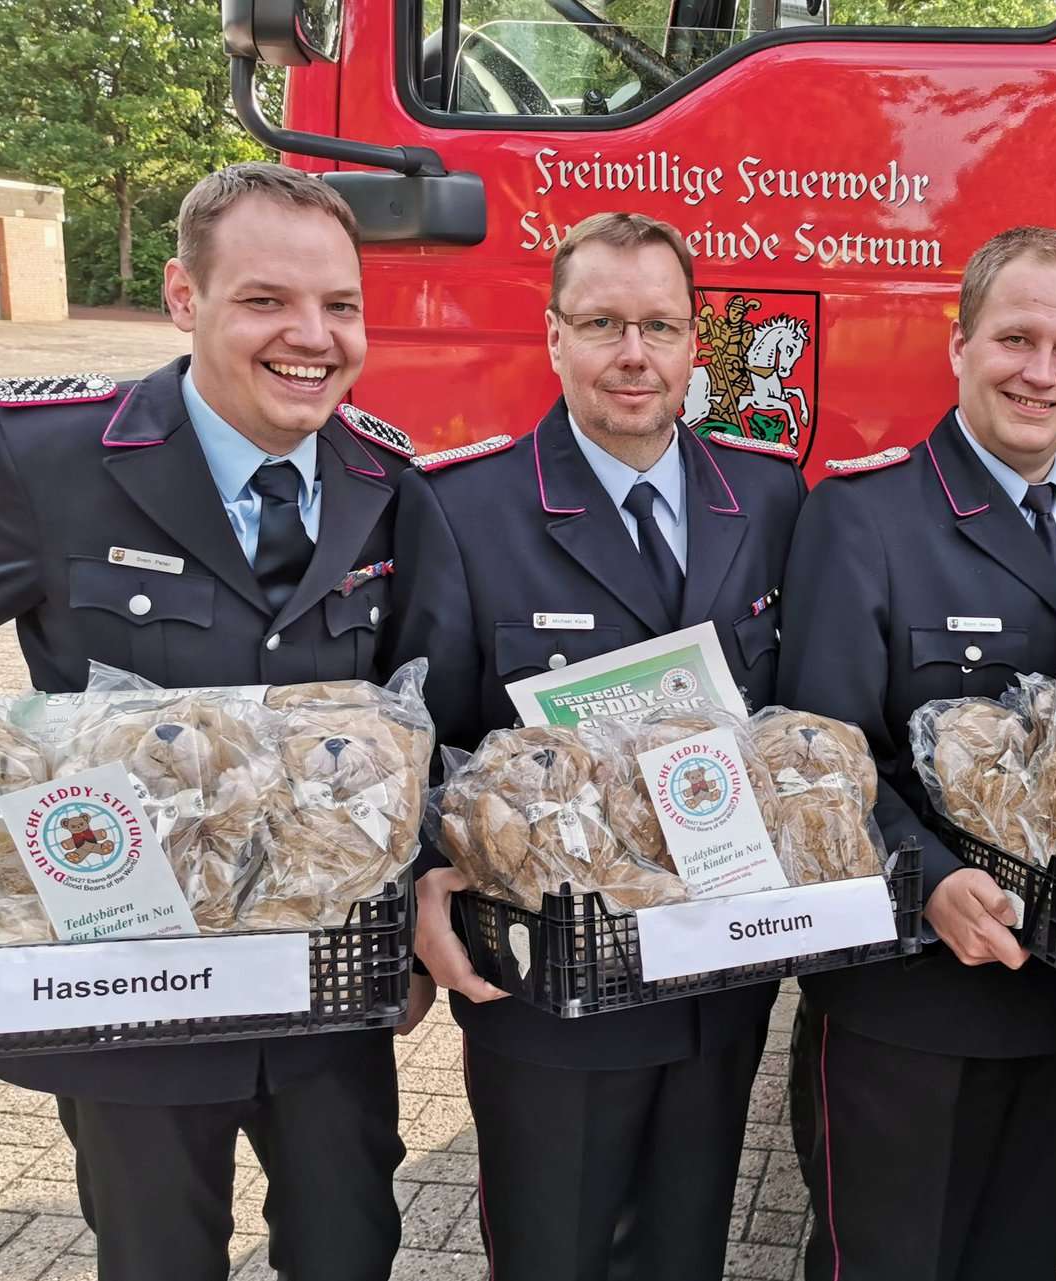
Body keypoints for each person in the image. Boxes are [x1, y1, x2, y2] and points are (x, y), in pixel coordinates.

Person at [0, 163, 414, 1279]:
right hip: (124, 986)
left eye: (340, 306)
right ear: (185, 298)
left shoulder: (388, 477)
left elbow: (426, 710)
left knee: (349, 1249)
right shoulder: (46, 456)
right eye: (266, 301)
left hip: (322, 985)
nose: (312, 337)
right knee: (159, 1260)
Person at [384, 211, 807, 1281]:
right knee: (553, 1251)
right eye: (604, 323)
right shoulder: (462, 505)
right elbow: (422, 733)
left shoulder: (765, 493)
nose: (634, 354)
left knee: (685, 1248)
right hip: (552, 981)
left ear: (693, 342)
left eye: (660, 326)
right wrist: (434, 867)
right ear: (554, 335)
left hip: (718, 968)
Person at [776, 225, 1056, 1281]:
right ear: (955, 344)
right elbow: (819, 758)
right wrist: (931, 881)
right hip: (914, 997)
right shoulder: (862, 517)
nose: (1039, 373)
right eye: (1013, 339)